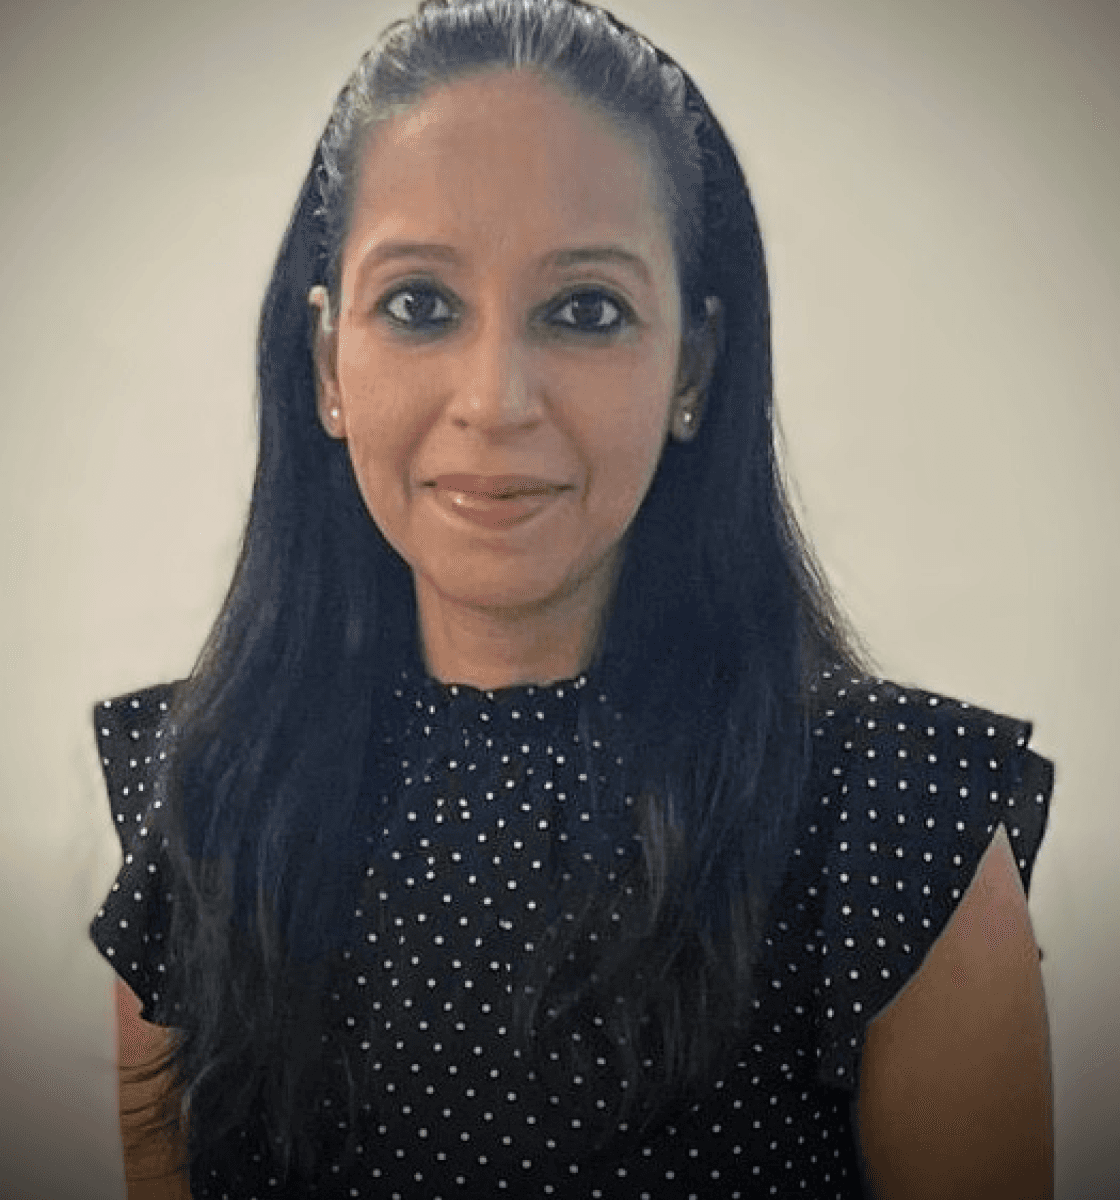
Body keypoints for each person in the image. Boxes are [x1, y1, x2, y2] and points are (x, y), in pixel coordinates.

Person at [89, 1, 1056, 1197]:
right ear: (328, 360)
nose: (495, 400)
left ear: (693, 365)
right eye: (420, 305)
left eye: (585, 310)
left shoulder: (894, 820)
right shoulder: (205, 794)